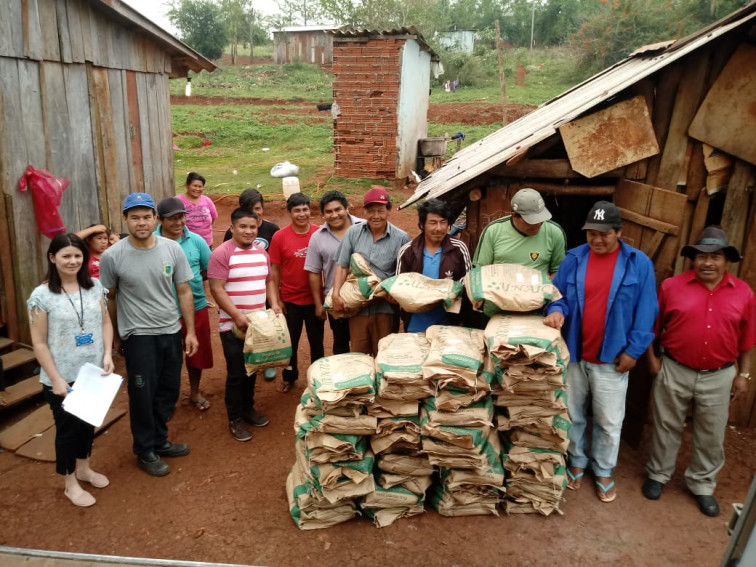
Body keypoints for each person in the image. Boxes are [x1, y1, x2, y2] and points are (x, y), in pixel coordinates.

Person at [544, 200, 657, 503]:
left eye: (604, 233)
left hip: (613, 356)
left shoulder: (638, 263)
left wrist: (634, 350)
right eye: (591, 232)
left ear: (619, 232)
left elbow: (647, 310)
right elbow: (558, 296)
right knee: (573, 413)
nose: (596, 239)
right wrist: (555, 309)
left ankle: (604, 469)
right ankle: (577, 461)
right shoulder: (574, 259)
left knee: (609, 420)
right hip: (575, 353)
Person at [642, 226, 755, 517]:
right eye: (702, 256)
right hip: (674, 368)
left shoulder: (743, 293)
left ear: (726, 261)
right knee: (666, 425)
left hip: (720, 375)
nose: (708, 262)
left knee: (711, 433)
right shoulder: (671, 287)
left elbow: (748, 340)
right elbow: (652, 328)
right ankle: (658, 474)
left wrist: (743, 375)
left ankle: (702, 484)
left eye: (715, 257)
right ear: (693, 259)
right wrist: (653, 361)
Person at [99, 193, 198, 477]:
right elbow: (110, 298)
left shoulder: (172, 249)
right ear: (125, 220)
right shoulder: (112, 256)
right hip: (138, 335)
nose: (141, 223)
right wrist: (117, 337)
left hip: (170, 330)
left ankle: (160, 439)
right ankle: (144, 450)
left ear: (155, 218)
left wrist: (190, 331)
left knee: (168, 390)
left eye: (146, 217)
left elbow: (184, 291)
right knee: (142, 393)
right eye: (134, 217)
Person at [28, 233, 114, 507]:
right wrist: (55, 378)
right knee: (68, 431)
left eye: (78, 255)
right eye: (66, 256)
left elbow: (105, 324)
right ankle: (69, 482)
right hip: (62, 377)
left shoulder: (94, 286)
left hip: (92, 373)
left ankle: (85, 468)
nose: (73, 261)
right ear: (53, 258)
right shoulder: (42, 296)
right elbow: (39, 342)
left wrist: (108, 354)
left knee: (88, 424)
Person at [209, 208, 282, 441]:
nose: (248, 231)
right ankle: (235, 418)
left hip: (258, 324)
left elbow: (269, 280)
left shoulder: (262, 253)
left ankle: (248, 408)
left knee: (253, 368)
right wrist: (237, 316)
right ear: (232, 228)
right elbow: (216, 288)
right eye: (243, 226)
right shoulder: (222, 253)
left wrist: (275, 303)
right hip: (232, 327)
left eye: (252, 227)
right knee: (236, 373)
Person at [332, 187, 410, 356]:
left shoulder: (401, 237)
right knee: (359, 355)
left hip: (386, 308)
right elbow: (342, 265)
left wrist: (391, 295)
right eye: (371, 211)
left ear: (389, 211)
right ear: (364, 211)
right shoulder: (353, 233)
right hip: (358, 307)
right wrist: (336, 293)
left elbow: (402, 274)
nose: (376, 216)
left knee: (385, 355)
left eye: (381, 211)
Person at [155, 197, 213, 412]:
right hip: (162, 311)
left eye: (181, 217)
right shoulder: (151, 242)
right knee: (166, 359)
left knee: (195, 355)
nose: (178, 222)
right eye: (172, 218)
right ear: (159, 219)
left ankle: (195, 391)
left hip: (195, 306)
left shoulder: (196, 241)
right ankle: (166, 399)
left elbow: (209, 270)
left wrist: (196, 286)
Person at [473, 188, 566, 317]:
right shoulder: (493, 231)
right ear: (515, 215)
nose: (538, 224)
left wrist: (540, 294)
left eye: (540, 218)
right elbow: (480, 271)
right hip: (497, 310)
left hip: (536, 311)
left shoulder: (554, 232)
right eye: (531, 220)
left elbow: (558, 271)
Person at [268, 193, 323, 394]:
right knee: (289, 342)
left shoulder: (320, 233)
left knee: (317, 342)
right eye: (297, 210)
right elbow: (274, 271)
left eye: (305, 209)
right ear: (290, 212)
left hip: (315, 299)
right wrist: (277, 299)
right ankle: (289, 377)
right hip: (290, 300)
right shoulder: (279, 237)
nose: (302, 214)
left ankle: (318, 378)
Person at [224, 188, 280, 381]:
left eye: (258, 208)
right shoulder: (229, 239)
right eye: (250, 209)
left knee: (266, 330)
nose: (255, 213)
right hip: (242, 291)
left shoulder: (272, 230)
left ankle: (267, 363)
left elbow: (275, 264)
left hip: (263, 284)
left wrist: (274, 298)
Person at [396, 198, 471, 332]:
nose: (439, 228)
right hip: (415, 323)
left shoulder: (459, 248)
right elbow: (399, 287)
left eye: (443, 222)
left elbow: (469, 281)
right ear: (422, 225)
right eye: (433, 223)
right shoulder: (407, 251)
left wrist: (453, 291)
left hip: (449, 323)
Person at [305, 191, 364, 355]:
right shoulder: (317, 238)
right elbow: (314, 273)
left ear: (347, 208)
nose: (334, 215)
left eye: (338, 209)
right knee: (341, 342)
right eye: (328, 212)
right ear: (323, 215)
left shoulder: (365, 228)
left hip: (366, 298)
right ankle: (344, 378)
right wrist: (318, 304)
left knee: (365, 342)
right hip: (337, 301)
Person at [177, 172, 217, 248]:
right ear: (187, 185)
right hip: (186, 242)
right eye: (195, 186)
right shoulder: (178, 201)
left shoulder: (207, 201)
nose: (197, 189)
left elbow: (213, 217)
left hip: (206, 242)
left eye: (200, 186)